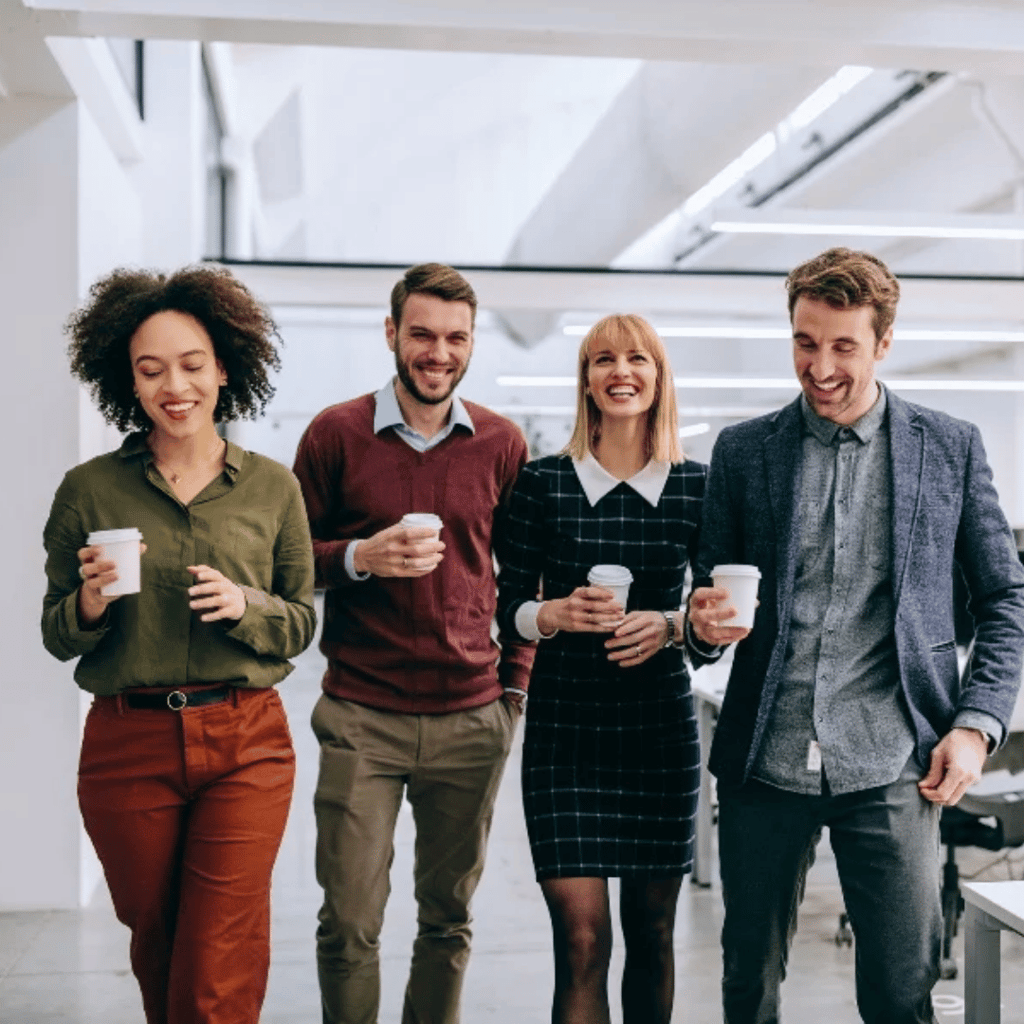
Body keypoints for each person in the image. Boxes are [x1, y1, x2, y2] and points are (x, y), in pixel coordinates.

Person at [687, 247, 1024, 1024]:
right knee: (748, 990)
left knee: (901, 996)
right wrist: (701, 629)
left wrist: (975, 727)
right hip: (765, 760)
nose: (821, 366)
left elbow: (1007, 597)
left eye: (843, 346)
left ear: (884, 341)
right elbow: (708, 605)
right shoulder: (744, 453)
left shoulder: (949, 448)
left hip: (892, 761)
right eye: (807, 342)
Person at [41, 265, 317, 1024]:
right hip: (127, 744)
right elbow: (55, 633)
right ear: (126, 380)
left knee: (218, 954)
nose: (175, 386)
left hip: (246, 739)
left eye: (193, 365)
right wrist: (90, 602)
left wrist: (245, 605)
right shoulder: (89, 490)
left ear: (225, 367)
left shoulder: (272, 488)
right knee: (158, 939)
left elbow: (300, 619)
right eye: (151, 369)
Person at [292, 262, 535, 1024]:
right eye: (423, 335)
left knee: (447, 919)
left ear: (470, 343)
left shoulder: (501, 442)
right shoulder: (336, 433)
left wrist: (516, 688)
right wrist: (362, 557)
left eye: (456, 338)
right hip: (363, 714)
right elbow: (289, 559)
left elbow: (526, 575)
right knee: (350, 923)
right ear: (393, 334)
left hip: (471, 716)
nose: (439, 353)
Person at [496, 313, 711, 1024]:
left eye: (638, 359)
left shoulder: (696, 487)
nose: (622, 372)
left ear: (659, 377)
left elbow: (718, 625)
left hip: (658, 734)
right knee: (582, 939)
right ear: (586, 380)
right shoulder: (542, 484)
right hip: (565, 733)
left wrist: (673, 625)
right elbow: (508, 612)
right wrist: (552, 615)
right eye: (604, 360)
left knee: (652, 935)